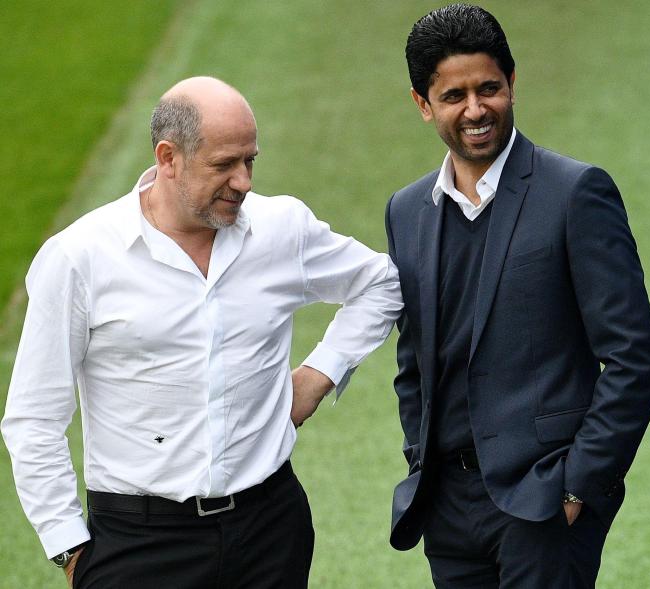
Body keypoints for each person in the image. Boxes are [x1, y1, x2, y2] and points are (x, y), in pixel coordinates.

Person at [1, 76, 402, 588]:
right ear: (168, 158)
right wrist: (70, 549)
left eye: (249, 161)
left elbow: (380, 283)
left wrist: (320, 374)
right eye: (223, 165)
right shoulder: (79, 258)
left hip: (269, 528)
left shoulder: (282, 230)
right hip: (137, 543)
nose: (244, 182)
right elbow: (34, 417)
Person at [384, 5, 650, 587]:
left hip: (544, 505)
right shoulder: (407, 211)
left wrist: (579, 483)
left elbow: (633, 356)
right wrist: (421, 459)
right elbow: (413, 362)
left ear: (513, 83)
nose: (476, 109)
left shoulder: (576, 193)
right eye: (454, 95)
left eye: (489, 88)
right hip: (448, 509)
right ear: (422, 104)